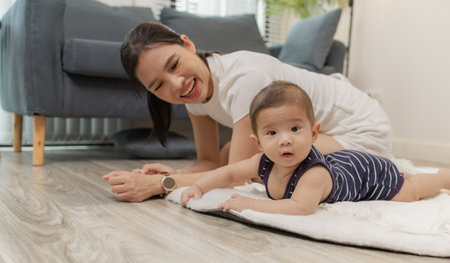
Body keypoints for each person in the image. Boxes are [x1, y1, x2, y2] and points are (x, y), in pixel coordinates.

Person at [103, 22, 393, 202]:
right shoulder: (194, 95)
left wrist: (159, 185)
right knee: (233, 152)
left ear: (188, 45)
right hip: (314, 128)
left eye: (175, 64)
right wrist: (177, 173)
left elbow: (238, 176)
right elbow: (208, 162)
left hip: (359, 125)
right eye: (158, 85)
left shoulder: (245, 79)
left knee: (279, 168)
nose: (177, 84)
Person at [181, 81, 450, 215]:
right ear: (258, 143)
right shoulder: (263, 162)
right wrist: (199, 187)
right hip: (345, 163)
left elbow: (301, 208)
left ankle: (442, 177)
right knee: (408, 181)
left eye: (295, 129)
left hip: (370, 173)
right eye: (272, 133)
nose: (284, 139)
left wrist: (250, 203)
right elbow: (229, 174)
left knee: (409, 190)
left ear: (314, 133)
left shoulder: (313, 174)